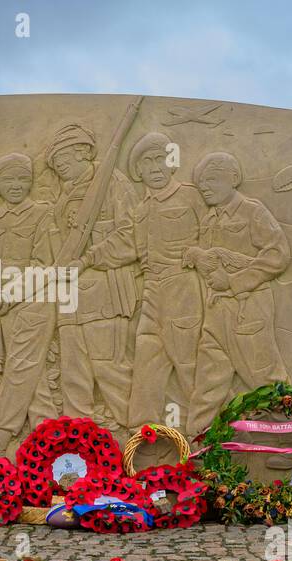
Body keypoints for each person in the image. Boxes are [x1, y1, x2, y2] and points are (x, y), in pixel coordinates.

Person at [78, 132, 207, 428]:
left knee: (190, 366)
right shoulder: (141, 209)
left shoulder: (190, 196)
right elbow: (124, 244)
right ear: (138, 171)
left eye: (160, 159)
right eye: (147, 162)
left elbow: (214, 235)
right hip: (152, 292)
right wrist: (85, 259)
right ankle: (141, 437)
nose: (155, 167)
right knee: (146, 364)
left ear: (171, 162)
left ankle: (209, 437)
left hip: (183, 290)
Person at [33, 123, 138, 427]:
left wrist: (90, 258)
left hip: (105, 296)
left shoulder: (112, 183)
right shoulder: (62, 197)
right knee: (74, 379)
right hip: (70, 301)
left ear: (82, 150)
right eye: (53, 163)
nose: (58, 166)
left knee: (112, 373)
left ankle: (139, 446)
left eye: (62, 157)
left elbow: (131, 235)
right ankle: (80, 455)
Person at [184, 152, 291, 438]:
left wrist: (232, 282)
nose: (204, 187)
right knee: (207, 387)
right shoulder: (209, 219)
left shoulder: (252, 211)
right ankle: (197, 453)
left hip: (247, 310)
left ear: (233, 179)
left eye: (211, 180)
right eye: (200, 182)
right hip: (215, 313)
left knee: (267, 380)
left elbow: (277, 255)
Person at [0, 153, 57, 453]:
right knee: (31, 371)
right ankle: (48, 437)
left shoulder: (42, 214)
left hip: (35, 301)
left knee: (21, 364)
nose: (17, 185)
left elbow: (45, 263)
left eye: (23, 179)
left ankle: (2, 433)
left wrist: (11, 293)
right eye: (9, 179)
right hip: (2, 307)